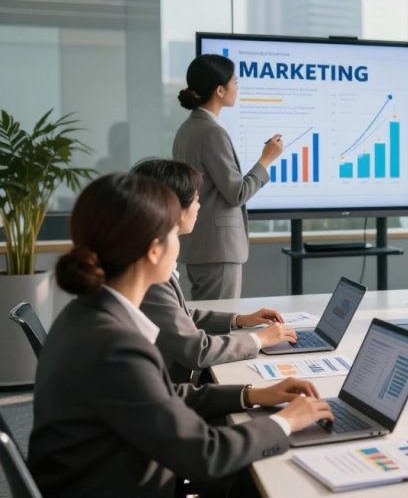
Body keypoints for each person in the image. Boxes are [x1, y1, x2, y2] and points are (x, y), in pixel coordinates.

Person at [29, 173, 333, 496]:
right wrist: (284, 422)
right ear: (153, 251)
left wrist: (252, 394)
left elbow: (163, 395)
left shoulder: (86, 315)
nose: (180, 241)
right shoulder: (115, 346)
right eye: (173, 231)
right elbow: (205, 455)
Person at [132, 158, 297, 384]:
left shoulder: (146, 262)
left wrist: (240, 319)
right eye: (196, 200)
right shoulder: (149, 274)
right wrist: (258, 340)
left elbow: (179, 316)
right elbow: (197, 350)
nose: (199, 206)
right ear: (174, 208)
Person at [173, 54, 284, 300]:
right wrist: (265, 160)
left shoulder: (187, 128)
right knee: (219, 322)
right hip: (218, 248)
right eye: (235, 80)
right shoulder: (212, 132)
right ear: (220, 90)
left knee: (208, 319)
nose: (237, 86)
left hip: (200, 245)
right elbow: (237, 193)